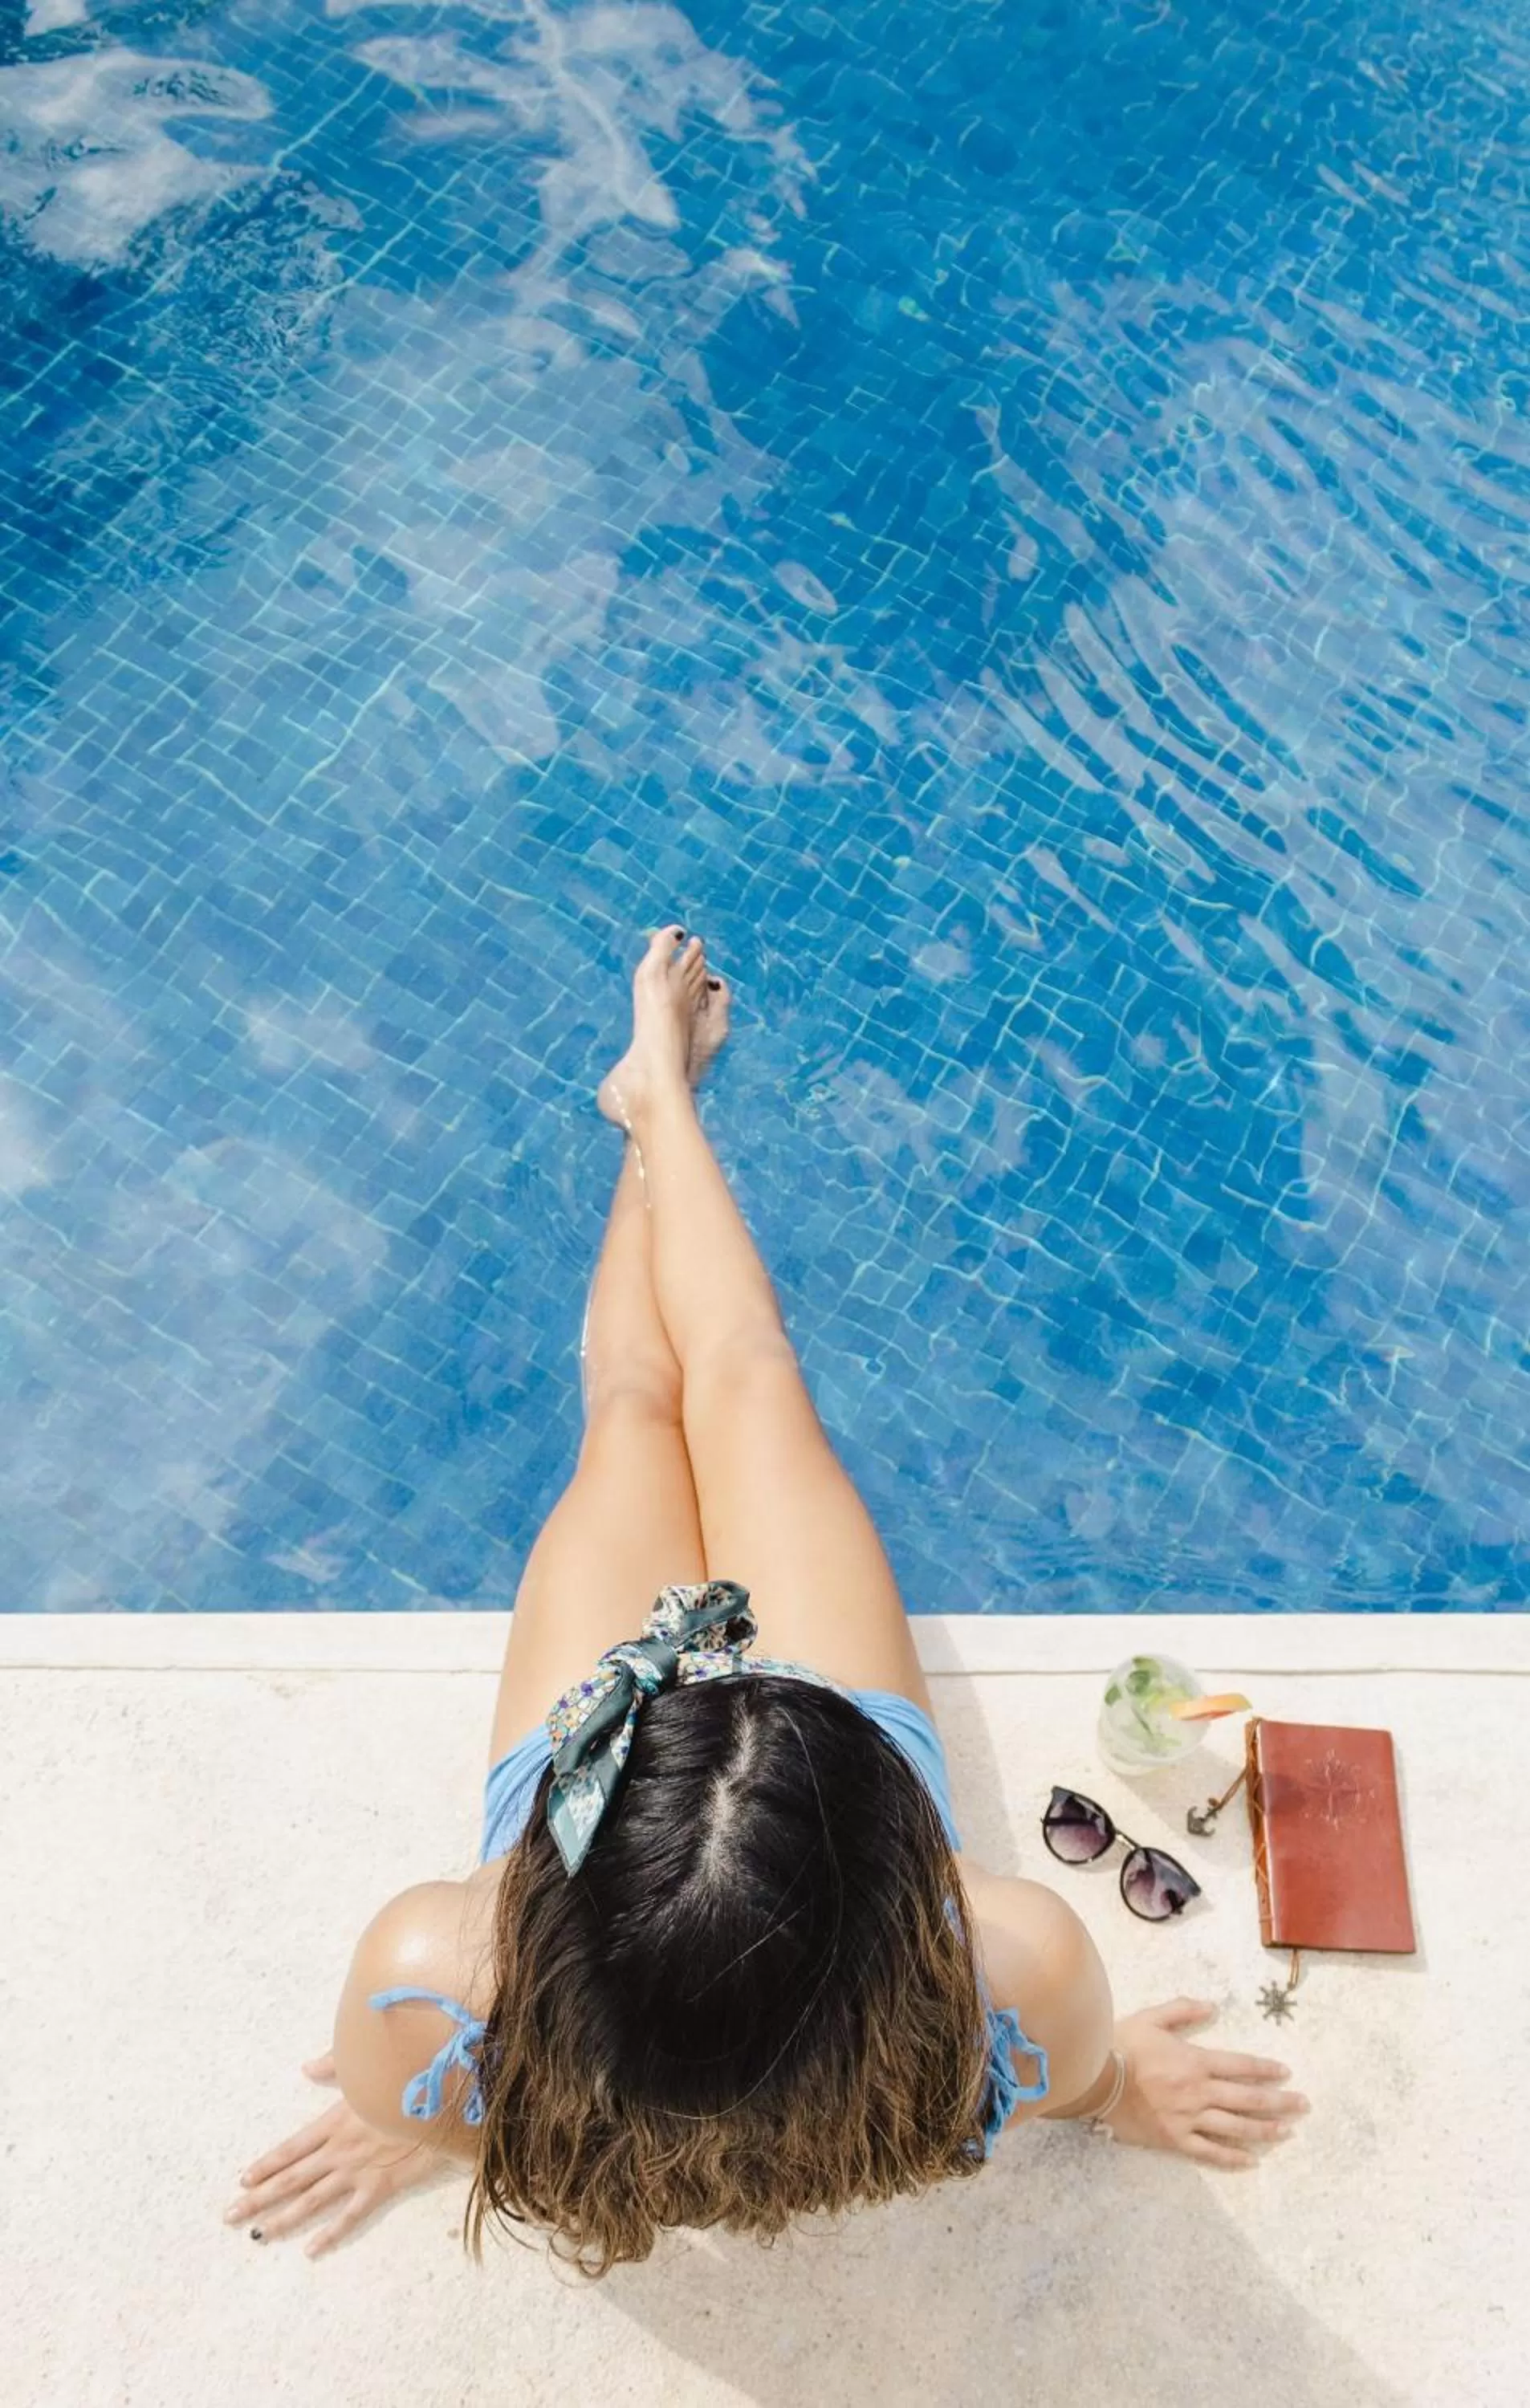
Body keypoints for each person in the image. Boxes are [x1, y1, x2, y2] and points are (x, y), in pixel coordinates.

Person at [225, 927, 1307, 2271]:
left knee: (646, 1409)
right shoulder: (1014, 1968)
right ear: (908, 1886)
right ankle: (660, 1105)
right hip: (721, 1868)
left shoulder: (427, 1986)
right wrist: (1113, 2089)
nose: (718, 1655)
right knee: (731, 1384)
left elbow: (431, 2096)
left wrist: (430, 2113)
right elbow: (1069, 2077)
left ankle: (647, 1119)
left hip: (591, 1928)